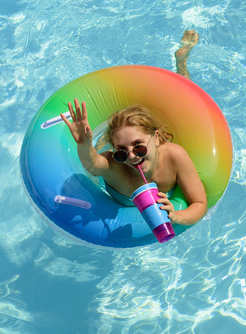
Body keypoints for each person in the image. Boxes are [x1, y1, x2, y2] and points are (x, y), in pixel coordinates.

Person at [60, 30, 207, 226]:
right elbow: (93, 164)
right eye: (121, 152)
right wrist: (84, 144)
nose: (131, 156)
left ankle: (181, 63)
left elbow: (199, 203)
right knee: (114, 136)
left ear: (156, 138)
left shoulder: (174, 156)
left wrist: (177, 215)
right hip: (113, 151)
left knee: (184, 95)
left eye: (139, 147)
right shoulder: (115, 166)